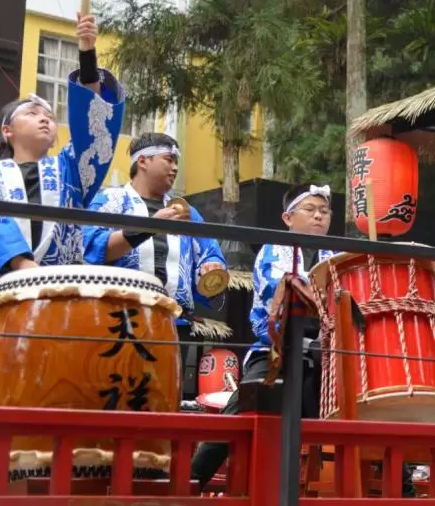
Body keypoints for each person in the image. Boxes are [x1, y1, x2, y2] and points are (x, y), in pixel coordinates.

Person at [189, 183, 340, 488]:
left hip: (324, 354)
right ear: (288, 217)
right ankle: (191, 479)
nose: (318, 217)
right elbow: (282, 294)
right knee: (238, 413)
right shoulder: (274, 251)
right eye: (310, 210)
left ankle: (402, 490)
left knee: (355, 410)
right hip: (274, 351)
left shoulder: (335, 255)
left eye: (324, 211)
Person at [0, 12, 126, 292]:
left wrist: (87, 54)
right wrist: (22, 264)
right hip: (1, 289)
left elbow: (93, 130)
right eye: (32, 113)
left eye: (50, 117)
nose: (44, 119)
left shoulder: (70, 169)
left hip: (61, 291)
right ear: (7, 130)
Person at [82, 132, 227, 377]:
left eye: (176, 162)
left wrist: (212, 266)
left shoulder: (186, 212)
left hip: (173, 321)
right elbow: (94, 249)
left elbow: (209, 250)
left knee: (166, 395)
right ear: (143, 161)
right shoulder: (110, 200)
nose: (175, 167)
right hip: (119, 318)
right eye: (168, 159)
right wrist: (148, 226)